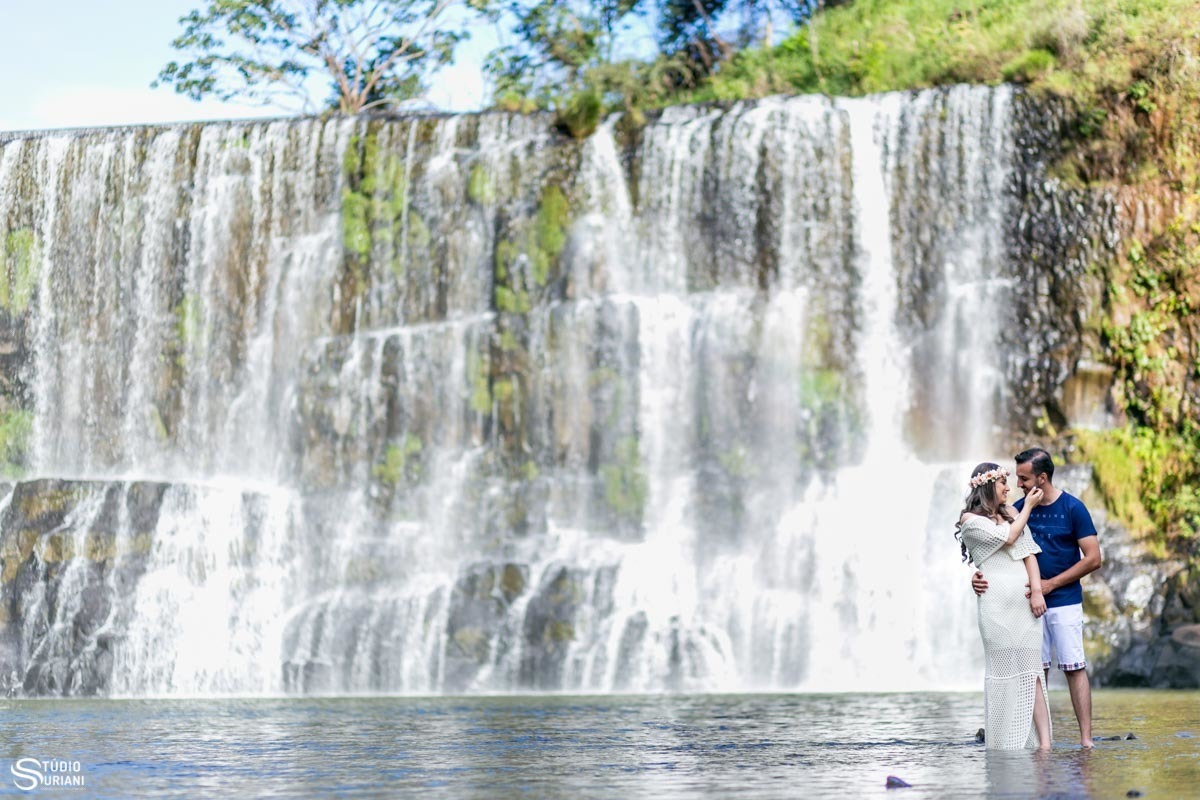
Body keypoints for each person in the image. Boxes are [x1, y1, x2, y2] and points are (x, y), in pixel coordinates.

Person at [972, 448, 1102, 748]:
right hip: (1024, 604)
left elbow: (1093, 558)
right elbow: (996, 551)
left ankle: (1086, 739)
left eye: (1024, 478)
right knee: (1033, 670)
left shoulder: (1073, 508)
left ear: (1042, 478)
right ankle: (1035, 741)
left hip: (1065, 600)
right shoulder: (1015, 510)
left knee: (1074, 666)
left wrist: (1050, 585)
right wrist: (977, 577)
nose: (1018, 484)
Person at [957, 462, 1052, 750]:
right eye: (1002, 483)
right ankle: (1004, 742)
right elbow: (1009, 538)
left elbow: (1028, 553)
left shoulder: (1012, 513)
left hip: (1023, 605)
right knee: (1003, 673)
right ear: (987, 486)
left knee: (1032, 671)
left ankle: (1044, 744)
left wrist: (1037, 591)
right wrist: (1029, 509)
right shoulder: (969, 520)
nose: (1008, 488)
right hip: (996, 606)